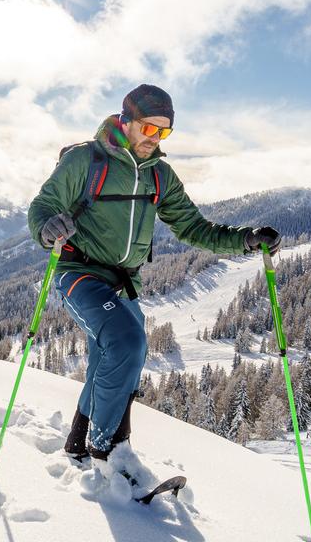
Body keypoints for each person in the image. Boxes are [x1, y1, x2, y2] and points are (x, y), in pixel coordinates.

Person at [27, 84, 282, 460]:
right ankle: (109, 451)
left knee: (111, 355)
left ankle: (78, 443)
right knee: (127, 343)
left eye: (164, 132)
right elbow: (43, 205)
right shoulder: (87, 160)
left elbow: (194, 227)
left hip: (124, 281)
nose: (156, 138)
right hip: (78, 271)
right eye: (149, 128)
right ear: (127, 120)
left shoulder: (159, 175)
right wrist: (47, 227)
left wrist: (245, 239)